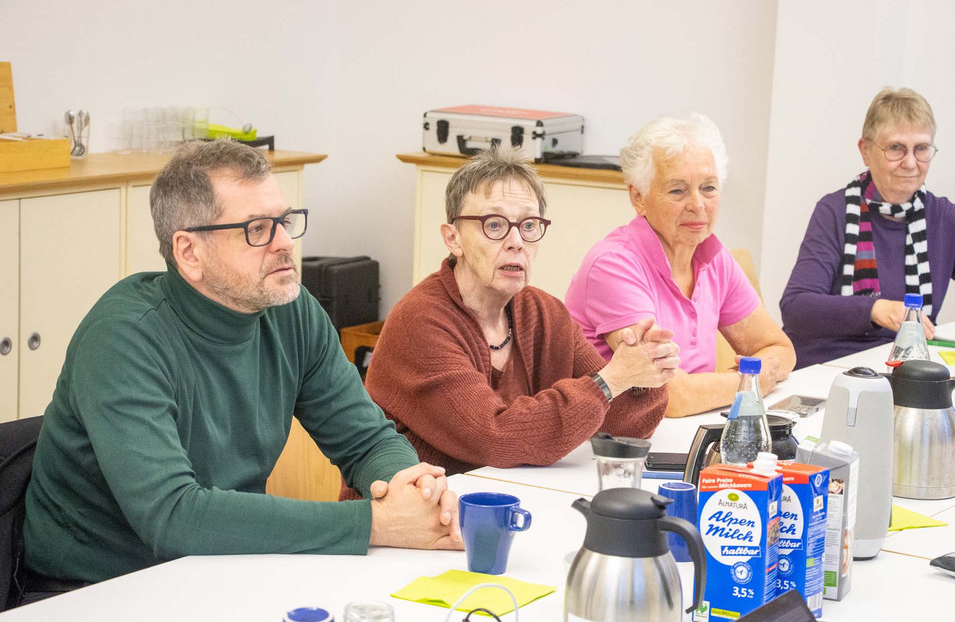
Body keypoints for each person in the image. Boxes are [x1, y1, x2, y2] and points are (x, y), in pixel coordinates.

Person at [21, 140, 461, 591]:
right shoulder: (123, 337)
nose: (286, 243)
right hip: (94, 591)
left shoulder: (290, 309)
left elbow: (365, 441)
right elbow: (172, 516)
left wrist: (416, 492)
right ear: (189, 253)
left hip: (225, 568)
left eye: (285, 222)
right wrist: (373, 523)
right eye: (257, 229)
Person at [359, 147, 676, 479]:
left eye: (528, 225)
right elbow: (495, 436)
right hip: (411, 515)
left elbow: (621, 424)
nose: (516, 241)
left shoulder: (546, 313)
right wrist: (612, 379)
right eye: (494, 225)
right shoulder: (419, 321)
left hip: (507, 499)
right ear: (453, 239)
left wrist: (644, 370)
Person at [565, 114, 795, 418]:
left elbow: (780, 349)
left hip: (690, 431)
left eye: (709, 188)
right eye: (677, 190)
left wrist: (730, 383)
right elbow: (669, 396)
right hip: (613, 446)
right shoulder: (613, 265)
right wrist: (748, 381)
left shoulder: (714, 257)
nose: (697, 205)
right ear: (638, 197)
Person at [781, 87, 955, 367]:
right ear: (865, 151)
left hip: (903, 369)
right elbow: (796, 307)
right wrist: (875, 309)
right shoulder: (834, 211)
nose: (910, 163)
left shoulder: (943, 216)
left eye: (921, 148)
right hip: (829, 366)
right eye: (896, 148)